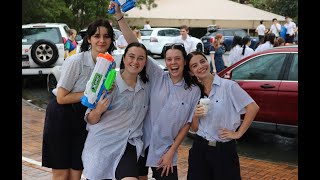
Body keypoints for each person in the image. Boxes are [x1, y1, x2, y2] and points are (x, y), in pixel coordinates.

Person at [41, 2, 137, 179]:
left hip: (85, 117)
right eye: (97, 36)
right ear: (89, 39)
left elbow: (101, 94)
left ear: (111, 40)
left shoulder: (111, 63)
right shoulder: (76, 61)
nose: (102, 40)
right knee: (62, 174)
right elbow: (61, 97)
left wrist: (107, 90)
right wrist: (92, 92)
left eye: (106, 37)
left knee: (77, 172)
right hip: (61, 116)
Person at [185, 51, 260, 180]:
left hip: (224, 150)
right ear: (191, 72)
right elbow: (195, 128)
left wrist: (238, 133)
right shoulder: (194, 91)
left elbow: (253, 107)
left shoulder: (228, 86)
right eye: (194, 65)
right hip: (200, 148)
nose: (200, 66)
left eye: (202, 61)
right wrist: (196, 115)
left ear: (207, 62)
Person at [82, 42, 150, 180]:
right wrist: (99, 110)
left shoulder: (146, 86)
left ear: (145, 62)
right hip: (103, 144)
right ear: (124, 59)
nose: (135, 61)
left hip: (128, 144)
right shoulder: (108, 84)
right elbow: (90, 119)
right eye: (131, 56)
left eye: (140, 58)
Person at [138, 44, 203, 180]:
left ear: (184, 61)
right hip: (141, 142)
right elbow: (137, 47)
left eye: (177, 58)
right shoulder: (157, 75)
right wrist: (120, 21)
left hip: (165, 149)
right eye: (169, 59)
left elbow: (187, 124)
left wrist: (171, 151)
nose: (173, 62)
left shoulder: (193, 90)